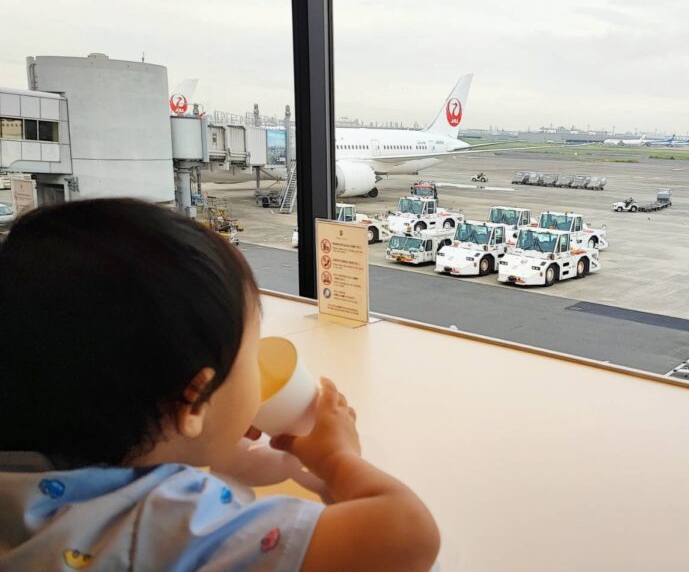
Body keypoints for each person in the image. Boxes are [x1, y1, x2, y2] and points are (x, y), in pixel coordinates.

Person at [0, 199, 440, 571]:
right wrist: (338, 459)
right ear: (194, 402)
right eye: (250, 352)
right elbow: (407, 534)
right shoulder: (168, 527)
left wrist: (216, 441)